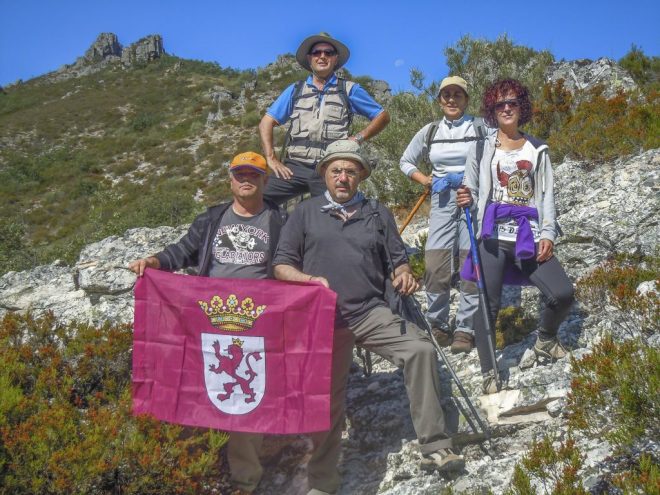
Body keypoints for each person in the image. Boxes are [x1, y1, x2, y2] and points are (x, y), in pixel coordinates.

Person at [273, 140, 465, 495]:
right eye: (336, 171)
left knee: (420, 350)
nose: (343, 177)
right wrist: (309, 280)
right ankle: (322, 482)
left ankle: (436, 446)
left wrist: (404, 273)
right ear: (325, 175)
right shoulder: (304, 213)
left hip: (369, 311)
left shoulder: (377, 212)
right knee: (328, 399)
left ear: (360, 175)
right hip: (324, 319)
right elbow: (282, 265)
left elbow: (398, 258)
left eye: (350, 171)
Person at [127, 151, 287, 495]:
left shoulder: (279, 221)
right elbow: (183, 250)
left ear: (265, 180)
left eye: (254, 175)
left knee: (246, 400)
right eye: (240, 174)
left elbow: (290, 260)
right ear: (230, 180)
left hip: (256, 323)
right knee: (196, 388)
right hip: (208, 319)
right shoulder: (212, 218)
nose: (247, 179)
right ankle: (191, 465)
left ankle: (245, 480)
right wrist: (153, 262)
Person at [457, 79, 575, 394]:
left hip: (529, 235)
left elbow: (546, 194)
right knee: (487, 305)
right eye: (499, 104)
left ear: (521, 107)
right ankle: (489, 372)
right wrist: (466, 198)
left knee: (562, 293)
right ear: (491, 111)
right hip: (492, 237)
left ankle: (546, 340)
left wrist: (548, 232)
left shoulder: (537, 149)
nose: (506, 108)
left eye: (512, 102)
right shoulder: (480, 147)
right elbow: (471, 187)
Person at [399, 76, 489, 355]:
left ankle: (465, 328)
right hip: (441, 200)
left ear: (466, 99)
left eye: (457, 95)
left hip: (472, 200)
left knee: (469, 263)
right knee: (435, 263)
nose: (451, 99)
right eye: (446, 95)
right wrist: (425, 180)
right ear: (439, 100)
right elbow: (405, 161)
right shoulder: (430, 131)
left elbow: (496, 159)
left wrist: (475, 184)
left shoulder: (481, 127)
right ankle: (437, 324)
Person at [259, 32, 390, 205]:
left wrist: (358, 139)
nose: (322, 56)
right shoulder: (295, 90)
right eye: (317, 52)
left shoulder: (349, 90)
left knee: (330, 215)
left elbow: (383, 116)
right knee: (256, 199)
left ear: (335, 59)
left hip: (329, 166)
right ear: (309, 58)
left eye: (328, 53)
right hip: (294, 167)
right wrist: (271, 159)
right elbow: (266, 122)